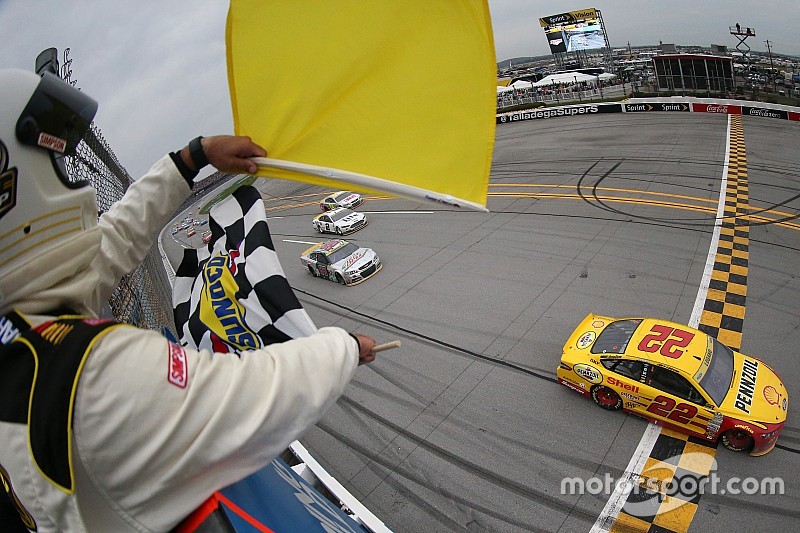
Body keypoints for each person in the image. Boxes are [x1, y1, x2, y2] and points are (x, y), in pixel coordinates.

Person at [0, 68, 377, 532]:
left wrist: (192, 158)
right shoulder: (88, 371)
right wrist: (342, 347)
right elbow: (252, 398)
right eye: (58, 163)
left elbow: (114, 239)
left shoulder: (22, 320)